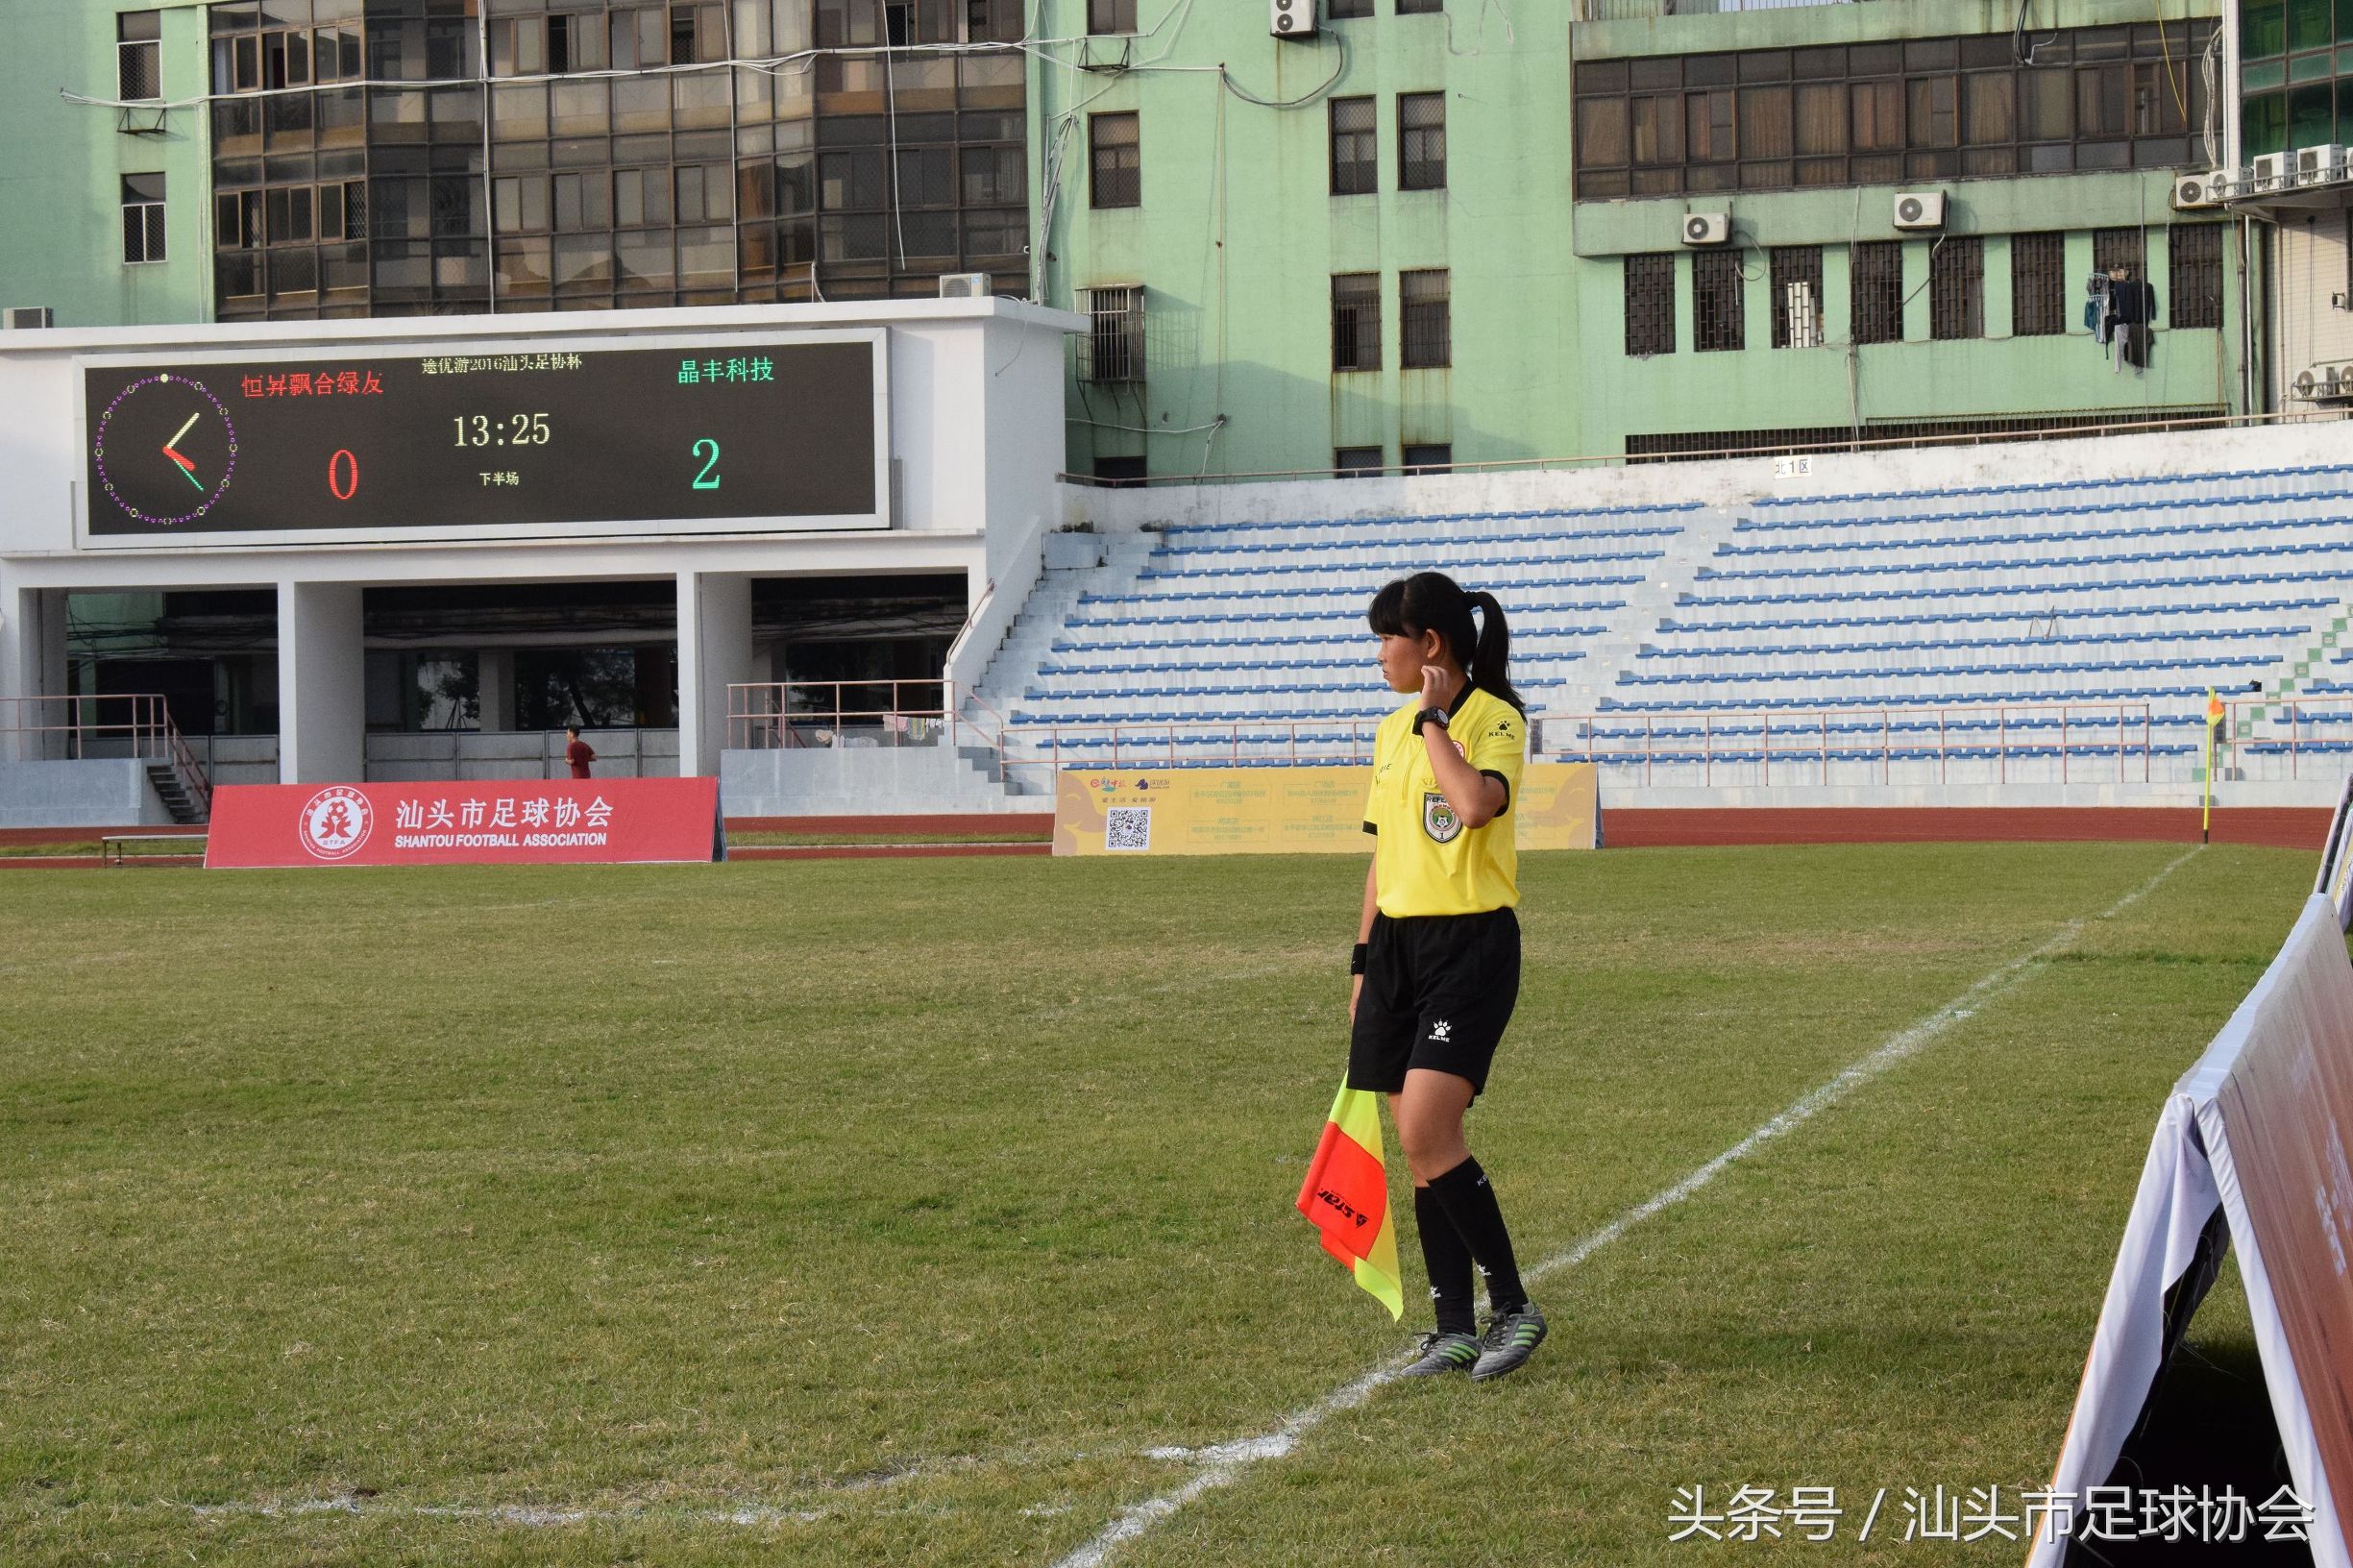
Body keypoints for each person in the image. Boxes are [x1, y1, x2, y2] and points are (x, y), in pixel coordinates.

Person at [1349, 571, 1544, 1382]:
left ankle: (1514, 1307)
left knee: (1429, 1131)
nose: (1379, 657)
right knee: (1417, 1146)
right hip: (1396, 948)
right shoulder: (1389, 730)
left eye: (1386, 639)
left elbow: (1470, 808)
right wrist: (1362, 964)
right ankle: (1453, 1327)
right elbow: (1381, 857)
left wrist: (1435, 720)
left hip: (1469, 946)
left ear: (1429, 645)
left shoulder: (1493, 719)